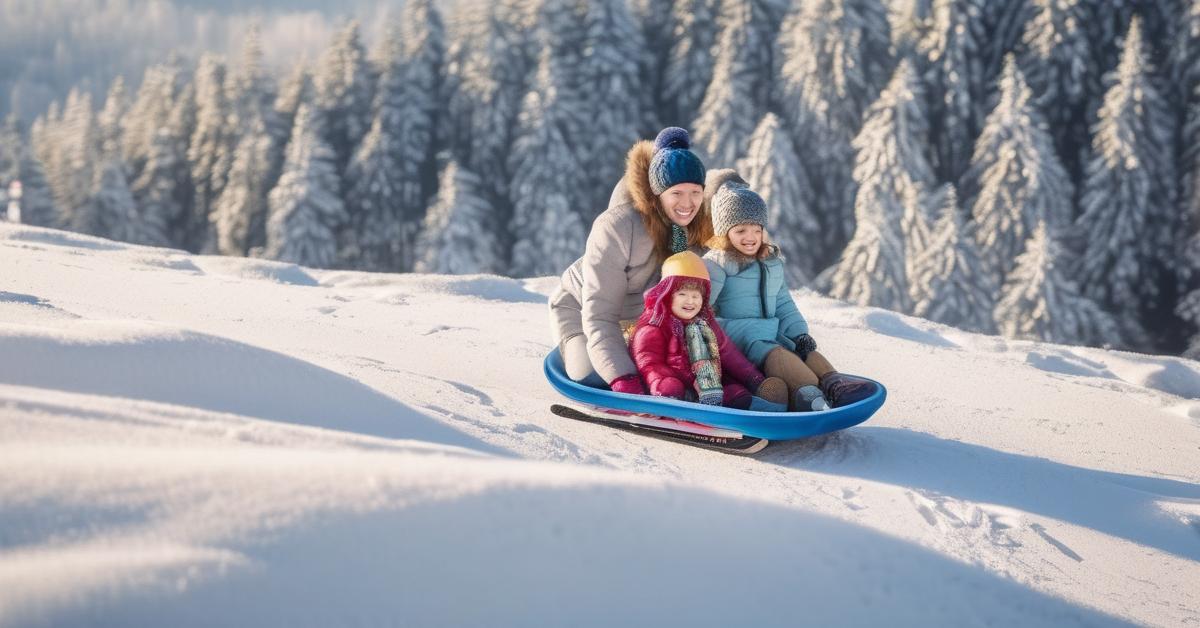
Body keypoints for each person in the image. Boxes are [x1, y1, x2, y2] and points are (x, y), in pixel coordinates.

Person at [549, 127, 713, 394]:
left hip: (639, 324)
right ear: (658, 194)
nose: (688, 202)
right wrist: (623, 378)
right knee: (593, 377)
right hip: (582, 311)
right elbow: (600, 315)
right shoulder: (618, 228)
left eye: (695, 192)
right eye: (677, 193)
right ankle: (573, 348)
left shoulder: (693, 231)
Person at [702, 170, 877, 410]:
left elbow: (783, 303)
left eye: (756, 229)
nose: (750, 237)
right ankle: (812, 394)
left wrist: (799, 333)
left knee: (805, 352)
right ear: (724, 233)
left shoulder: (770, 262)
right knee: (779, 354)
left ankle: (833, 383)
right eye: (740, 230)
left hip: (770, 333)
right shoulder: (716, 263)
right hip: (741, 340)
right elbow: (702, 308)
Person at [628, 251, 788, 410]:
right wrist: (660, 384)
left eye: (696, 296)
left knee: (736, 392)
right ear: (668, 295)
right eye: (682, 294)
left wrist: (754, 379)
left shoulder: (705, 323)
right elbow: (650, 364)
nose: (690, 301)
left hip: (705, 384)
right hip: (668, 385)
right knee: (671, 387)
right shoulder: (654, 325)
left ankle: (755, 409)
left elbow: (728, 353)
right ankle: (675, 402)